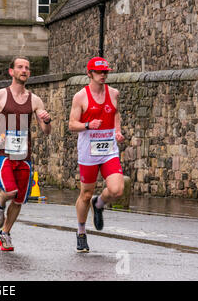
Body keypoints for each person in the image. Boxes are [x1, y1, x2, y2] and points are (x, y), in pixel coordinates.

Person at [0, 56, 52, 251]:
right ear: (11, 71)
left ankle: (5, 233)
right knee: (10, 191)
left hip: (23, 156)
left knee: (20, 199)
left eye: (27, 68)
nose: (24, 70)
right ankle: (0, 200)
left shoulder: (35, 100)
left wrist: (47, 120)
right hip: (3, 154)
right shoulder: (0, 95)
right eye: (20, 67)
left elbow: (46, 131)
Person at [68, 57, 125, 253]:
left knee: (117, 190)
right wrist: (87, 125)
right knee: (85, 194)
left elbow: (116, 113)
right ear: (89, 74)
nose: (103, 75)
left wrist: (117, 131)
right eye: (99, 72)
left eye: (106, 72)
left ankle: (99, 204)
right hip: (88, 152)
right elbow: (71, 124)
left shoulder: (114, 93)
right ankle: (81, 232)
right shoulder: (80, 97)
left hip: (109, 151)